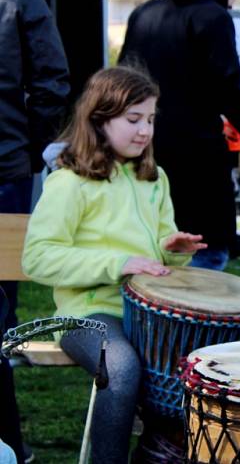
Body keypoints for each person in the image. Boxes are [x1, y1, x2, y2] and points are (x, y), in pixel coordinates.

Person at [21, 67, 205, 464]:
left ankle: (160, 453)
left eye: (151, 119)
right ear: (99, 120)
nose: (145, 131)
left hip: (147, 315)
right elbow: (37, 257)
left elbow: (158, 250)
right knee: (120, 366)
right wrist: (117, 263)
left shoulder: (155, 180)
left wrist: (171, 249)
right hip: (85, 315)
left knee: (203, 365)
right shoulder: (70, 182)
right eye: (133, 119)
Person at [119, 0, 240, 271]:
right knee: (204, 250)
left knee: (150, 244)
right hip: (198, 155)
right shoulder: (215, 16)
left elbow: (122, 79)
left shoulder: (144, 12)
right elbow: (227, 84)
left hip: (144, 146)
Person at [0, 0, 70, 464]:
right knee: (1, 307)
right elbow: (51, 80)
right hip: (8, 166)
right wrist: (33, 148)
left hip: (9, 162)